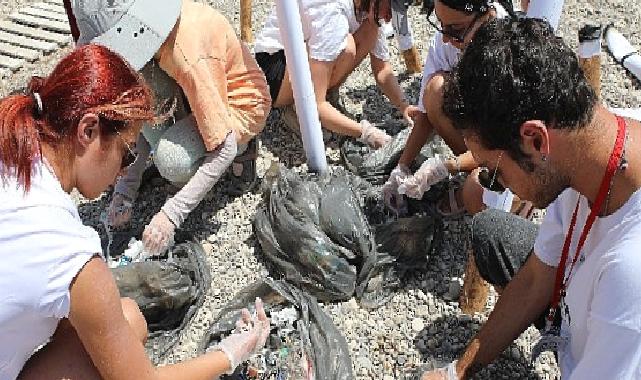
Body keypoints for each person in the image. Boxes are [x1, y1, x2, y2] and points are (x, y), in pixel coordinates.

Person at [0, 44, 270, 380]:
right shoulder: (68, 251)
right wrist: (231, 353)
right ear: (88, 131)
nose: (125, 172)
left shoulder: (12, 150)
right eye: (127, 155)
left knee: (127, 318)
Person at [422, 18, 641, 379]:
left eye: (495, 173)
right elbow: (538, 276)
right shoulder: (587, 147)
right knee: (491, 231)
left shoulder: (629, 274)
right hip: (595, 303)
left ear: (535, 140)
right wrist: (457, 372)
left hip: (618, 333)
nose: (500, 188)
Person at [70, 0, 272, 255]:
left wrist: (170, 215)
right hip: (195, 92)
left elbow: (225, 147)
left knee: (172, 161)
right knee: (139, 91)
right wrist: (125, 190)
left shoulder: (188, 55)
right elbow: (139, 118)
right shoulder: (155, 35)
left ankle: (247, 147)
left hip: (240, 106)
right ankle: (195, 133)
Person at [382, 0, 524, 219]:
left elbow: (507, 147)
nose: (446, 38)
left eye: (455, 29)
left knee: (477, 193)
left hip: (517, 153)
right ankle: (472, 167)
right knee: (436, 89)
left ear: (486, 16)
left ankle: (518, 202)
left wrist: (447, 167)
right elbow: (426, 112)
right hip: (483, 136)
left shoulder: (512, 50)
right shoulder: (446, 42)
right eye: (441, 25)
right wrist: (402, 167)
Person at [254, 0, 412, 149]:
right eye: (390, 8)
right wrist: (365, 132)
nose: (390, 17)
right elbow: (317, 104)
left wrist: (404, 106)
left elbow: (383, 69)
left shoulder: (368, 9)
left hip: (298, 57)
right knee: (347, 47)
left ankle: (323, 103)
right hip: (273, 71)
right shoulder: (332, 13)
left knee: (370, 29)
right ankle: (300, 112)